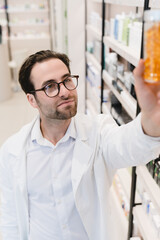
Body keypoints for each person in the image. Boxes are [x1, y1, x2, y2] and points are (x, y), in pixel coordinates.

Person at [0, 50, 160, 240]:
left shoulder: (97, 133)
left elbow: (129, 144)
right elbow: (10, 219)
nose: (66, 91)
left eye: (67, 79)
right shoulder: (13, 151)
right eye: (50, 86)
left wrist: (151, 120)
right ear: (32, 100)